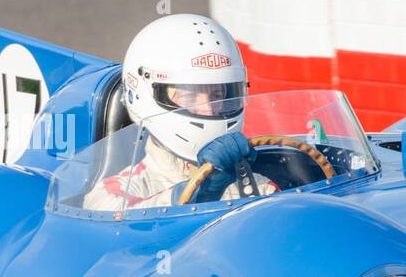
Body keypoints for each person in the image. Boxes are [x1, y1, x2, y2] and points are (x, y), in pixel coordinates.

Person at [84, 14, 277, 211]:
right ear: (143, 94)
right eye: (189, 96)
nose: (209, 108)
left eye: (218, 94)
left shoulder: (258, 184)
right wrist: (201, 191)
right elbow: (116, 225)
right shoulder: (118, 192)